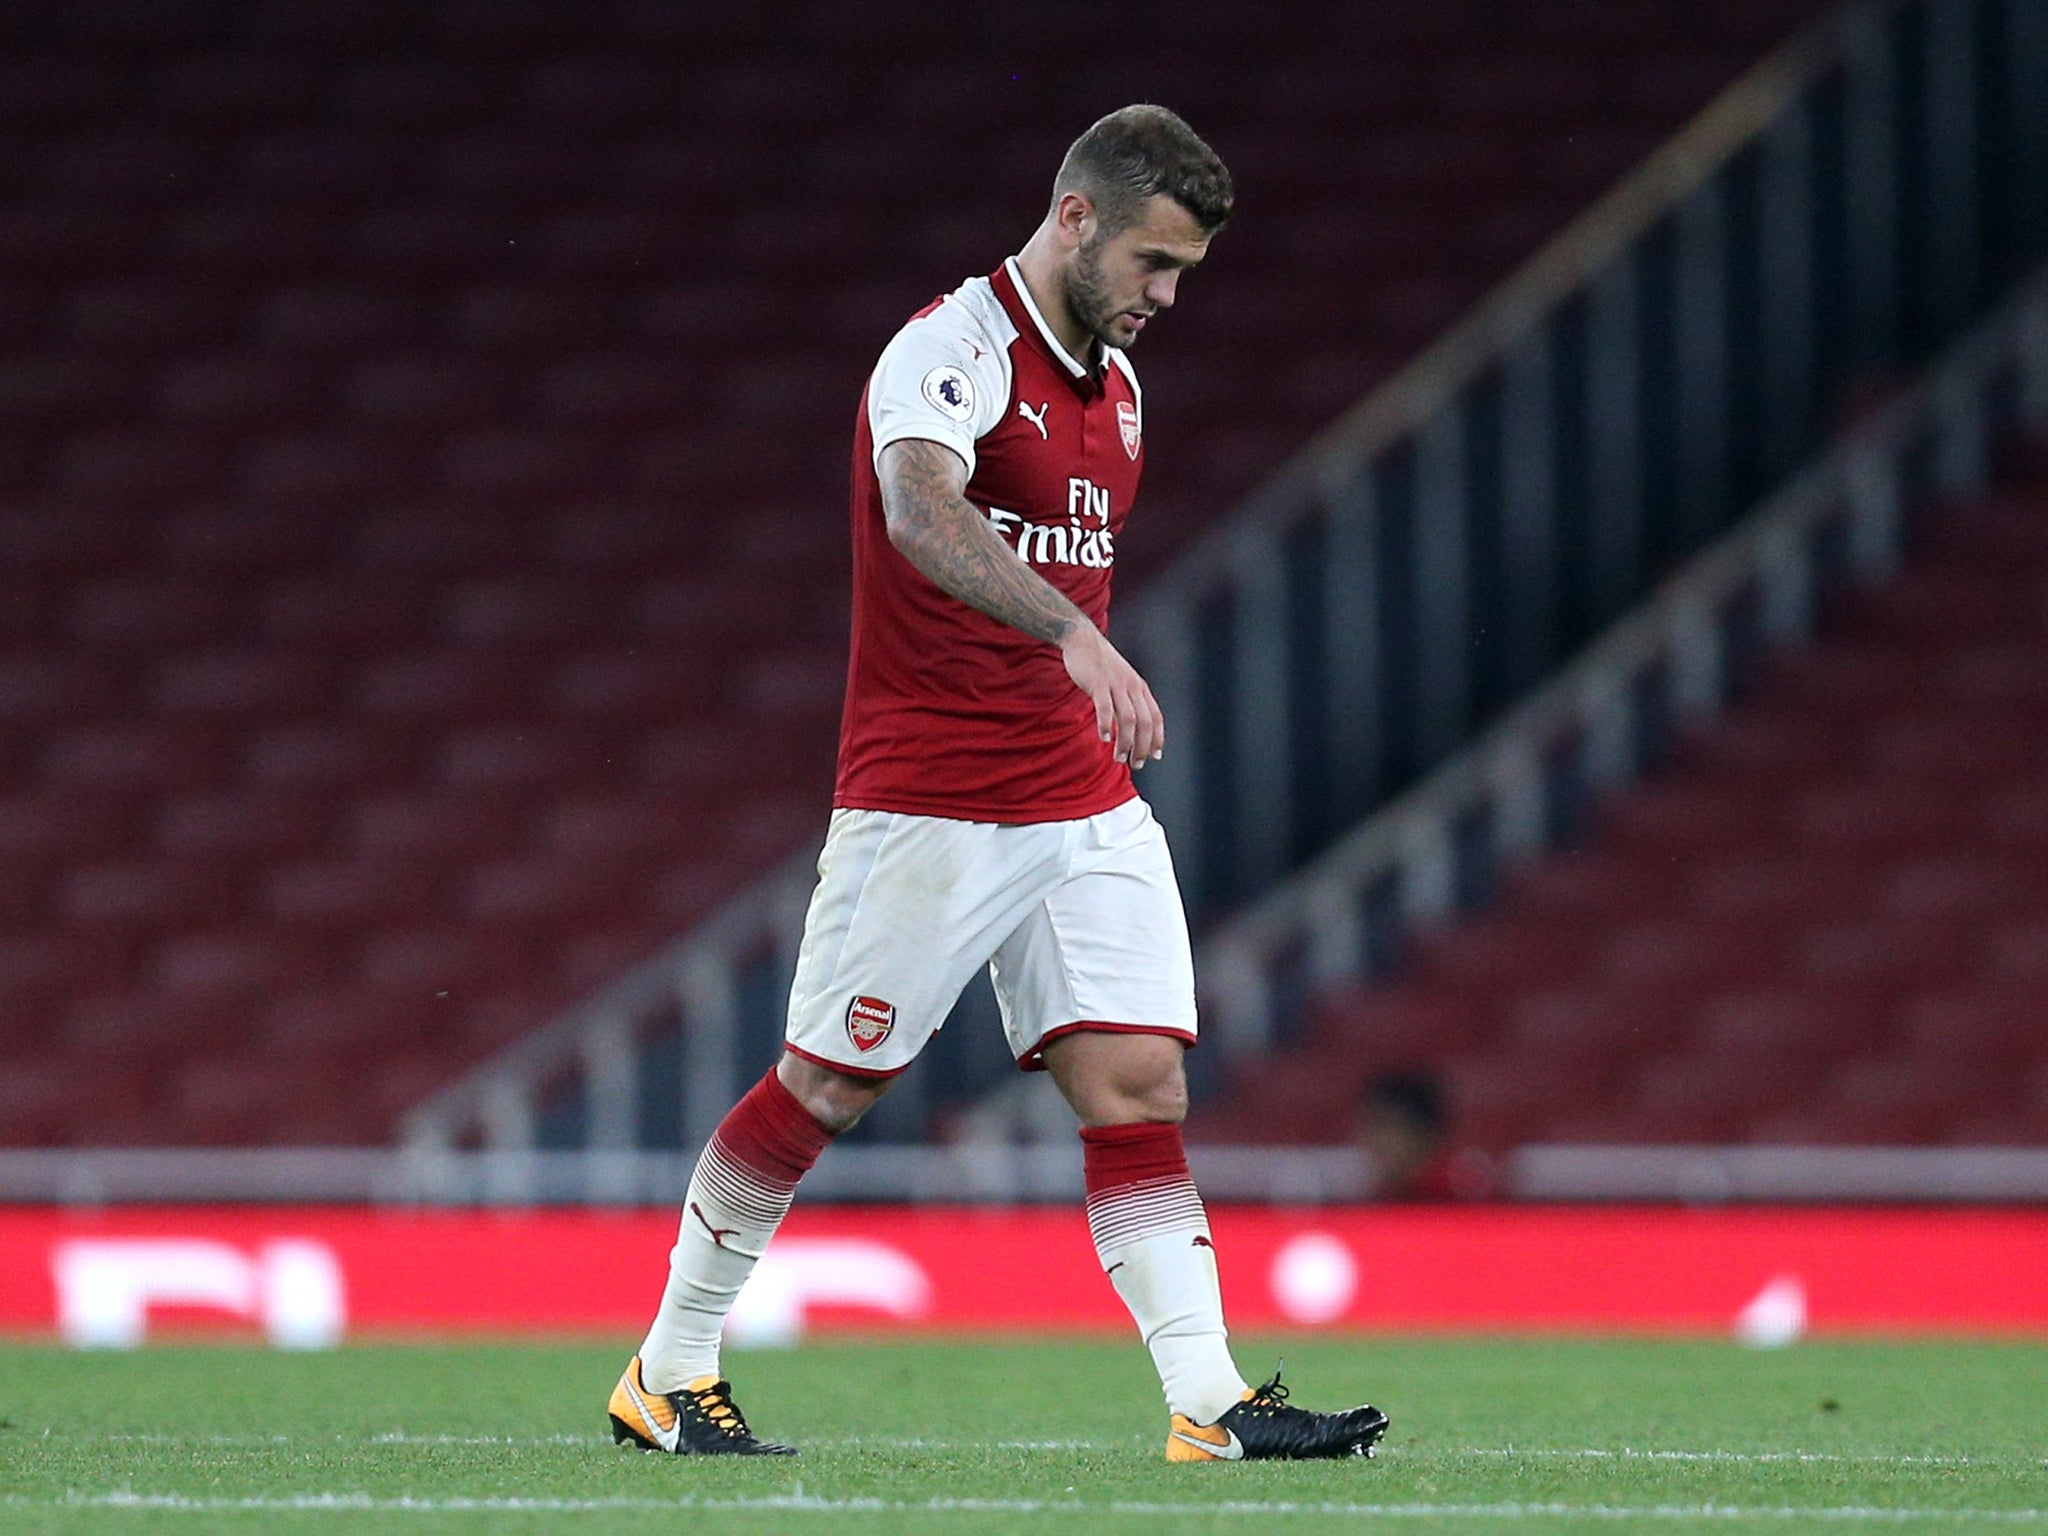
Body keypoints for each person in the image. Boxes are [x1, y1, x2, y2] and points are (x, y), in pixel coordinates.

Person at [609, 104, 1390, 1463]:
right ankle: (668, 1372)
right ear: (1075, 216)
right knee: (828, 1089)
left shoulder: (1123, 392)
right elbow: (917, 509)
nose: (1165, 296)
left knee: (1138, 1082)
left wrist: (1074, 665)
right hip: (929, 794)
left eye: (1185, 275)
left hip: (1078, 800)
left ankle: (1207, 1404)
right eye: (1153, 263)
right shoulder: (949, 350)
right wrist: (1076, 633)